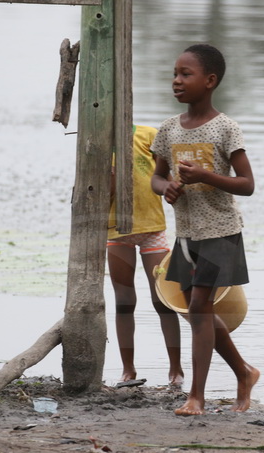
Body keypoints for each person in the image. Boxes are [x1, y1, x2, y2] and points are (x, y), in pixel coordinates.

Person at [150, 43, 260, 416]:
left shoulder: (225, 128)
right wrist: (168, 189)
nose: (177, 81)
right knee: (197, 310)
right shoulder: (168, 130)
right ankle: (244, 373)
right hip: (186, 234)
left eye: (186, 74)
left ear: (210, 81)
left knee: (198, 306)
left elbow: (246, 184)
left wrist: (207, 176)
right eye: (175, 74)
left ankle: (196, 396)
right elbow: (156, 178)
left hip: (220, 230)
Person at [107, 124, 184, 387]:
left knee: (163, 299)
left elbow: (166, 177)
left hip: (152, 226)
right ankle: (128, 370)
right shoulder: (97, 142)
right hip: (117, 230)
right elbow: (94, 191)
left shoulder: (148, 135)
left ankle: (176, 370)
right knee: (124, 301)